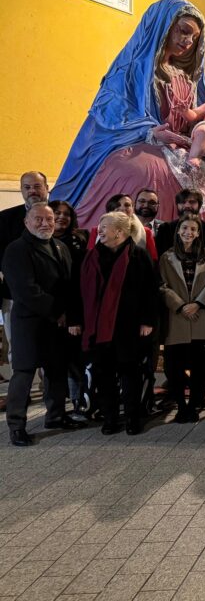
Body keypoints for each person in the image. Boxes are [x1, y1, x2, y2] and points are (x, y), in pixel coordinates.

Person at [52, 0, 205, 226]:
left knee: (201, 172)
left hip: (179, 147)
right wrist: (150, 132)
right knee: (140, 170)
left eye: (194, 37)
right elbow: (111, 113)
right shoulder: (130, 69)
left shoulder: (187, 75)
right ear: (162, 26)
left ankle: (190, 239)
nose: (188, 41)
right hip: (136, 139)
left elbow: (202, 120)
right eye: (183, 31)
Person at [2, 204, 83, 445]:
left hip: (56, 324)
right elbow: (26, 290)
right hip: (30, 323)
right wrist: (58, 312)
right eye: (38, 219)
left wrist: (68, 313)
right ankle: (16, 426)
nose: (45, 223)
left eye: (49, 219)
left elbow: (69, 285)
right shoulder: (16, 249)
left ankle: (56, 416)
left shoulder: (60, 246)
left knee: (56, 371)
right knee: (24, 374)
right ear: (26, 222)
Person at [74, 211, 160, 435]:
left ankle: (132, 418)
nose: (99, 230)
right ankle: (110, 418)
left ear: (119, 232)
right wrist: (76, 320)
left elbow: (151, 290)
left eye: (104, 227)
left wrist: (148, 321)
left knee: (130, 375)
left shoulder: (138, 256)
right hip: (98, 329)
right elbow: (78, 291)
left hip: (128, 327)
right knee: (104, 376)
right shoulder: (91, 257)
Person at [158, 215, 205, 424]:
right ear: (178, 230)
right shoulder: (167, 257)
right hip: (177, 318)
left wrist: (198, 304)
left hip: (199, 317)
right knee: (173, 367)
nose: (188, 232)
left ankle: (193, 405)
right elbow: (162, 285)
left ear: (198, 233)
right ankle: (181, 406)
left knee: (200, 367)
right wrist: (181, 305)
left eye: (193, 229)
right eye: (185, 228)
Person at [0, 172, 51, 373]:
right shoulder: (6, 218)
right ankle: (21, 387)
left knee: (50, 347)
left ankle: (49, 387)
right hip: (14, 294)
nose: (32, 191)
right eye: (27, 187)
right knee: (18, 347)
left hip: (50, 296)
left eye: (37, 186)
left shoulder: (60, 213)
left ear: (47, 188)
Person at [50, 200, 90, 420]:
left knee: (75, 363)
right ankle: (55, 410)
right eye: (57, 212)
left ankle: (78, 405)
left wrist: (73, 317)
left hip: (73, 312)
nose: (62, 217)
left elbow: (77, 283)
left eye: (66, 214)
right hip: (48, 312)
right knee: (54, 364)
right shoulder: (39, 242)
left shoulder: (78, 241)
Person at [87, 193, 158, 260]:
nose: (123, 208)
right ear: (110, 209)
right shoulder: (96, 230)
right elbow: (89, 257)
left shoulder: (146, 232)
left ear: (133, 209)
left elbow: (153, 260)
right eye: (117, 205)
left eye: (127, 205)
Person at [155, 189, 205, 257]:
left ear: (199, 205)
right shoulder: (165, 229)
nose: (187, 205)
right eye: (182, 202)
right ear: (177, 205)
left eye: (192, 202)